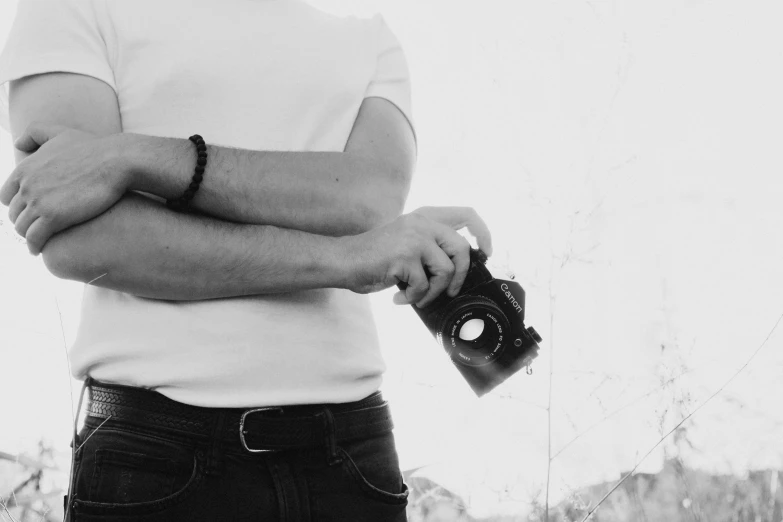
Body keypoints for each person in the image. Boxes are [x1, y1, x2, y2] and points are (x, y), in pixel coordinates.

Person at [0, 0, 493, 520]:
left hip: (349, 449)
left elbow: (367, 200)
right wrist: (347, 258)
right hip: (155, 451)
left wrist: (132, 157)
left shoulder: (368, 37)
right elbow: (91, 242)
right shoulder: (70, 8)